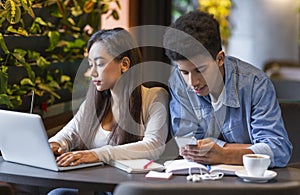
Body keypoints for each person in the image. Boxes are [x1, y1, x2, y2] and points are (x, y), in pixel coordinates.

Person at [163, 11, 292, 168]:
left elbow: (278, 149)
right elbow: (190, 145)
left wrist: (223, 154)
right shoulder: (178, 82)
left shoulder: (256, 84)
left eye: (200, 70)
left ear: (220, 59)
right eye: (184, 72)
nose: (192, 82)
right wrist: (245, 150)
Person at [48, 28, 169, 194]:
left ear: (124, 64)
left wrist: (97, 154)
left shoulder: (155, 97)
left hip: (126, 190)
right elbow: (67, 136)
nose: (92, 72)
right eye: (91, 65)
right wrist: (53, 145)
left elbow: (154, 146)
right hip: (92, 187)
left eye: (99, 63)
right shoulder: (93, 103)